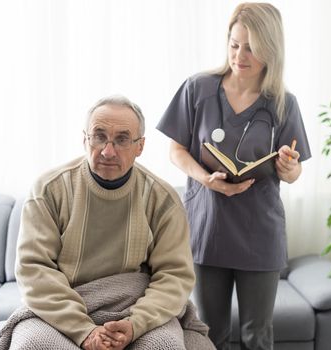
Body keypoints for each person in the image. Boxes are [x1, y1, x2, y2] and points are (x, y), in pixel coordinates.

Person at [157, 3, 311, 350]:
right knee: (209, 333)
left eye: (251, 47)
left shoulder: (283, 103)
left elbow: (295, 168)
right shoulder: (198, 88)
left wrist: (291, 168)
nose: (240, 55)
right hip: (209, 228)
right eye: (234, 44)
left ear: (271, 49)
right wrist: (204, 177)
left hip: (260, 231)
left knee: (258, 336)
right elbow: (175, 149)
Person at [14, 95, 203, 350]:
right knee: (32, 345)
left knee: (164, 346)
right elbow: (34, 270)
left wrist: (136, 324)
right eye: (99, 136)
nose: (108, 151)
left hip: (135, 306)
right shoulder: (48, 190)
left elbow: (174, 276)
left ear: (140, 146)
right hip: (61, 308)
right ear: (84, 139)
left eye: (122, 139)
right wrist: (84, 331)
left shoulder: (163, 199)